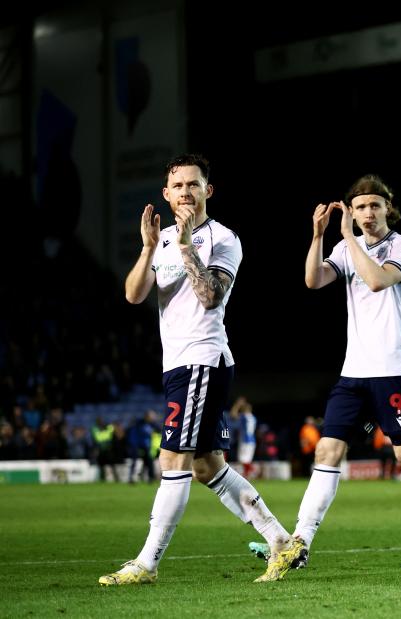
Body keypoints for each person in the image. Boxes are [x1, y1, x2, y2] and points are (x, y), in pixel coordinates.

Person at [99, 154, 297, 586]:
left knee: (174, 458)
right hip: (179, 364)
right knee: (207, 466)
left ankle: (146, 564)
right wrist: (150, 247)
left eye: (194, 184)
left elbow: (210, 297)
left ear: (209, 190)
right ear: (166, 195)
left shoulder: (223, 239)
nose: (186, 192)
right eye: (178, 186)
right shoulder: (163, 239)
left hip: (201, 360)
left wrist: (188, 245)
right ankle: (281, 541)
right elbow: (134, 295)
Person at [249, 173, 401, 581]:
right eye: (359, 206)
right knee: (327, 453)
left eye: (374, 205)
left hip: (393, 370)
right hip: (353, 373)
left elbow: (377, 281)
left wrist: (348, 237)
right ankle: (298, 543)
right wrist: (318, 236)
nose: (367, 212)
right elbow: (313, 280)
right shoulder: (346, 246)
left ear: (388, 209)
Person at [232, 396, 258, 478]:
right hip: (252, 440)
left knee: (243, 460)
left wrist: (237, 405)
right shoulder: (253, 417)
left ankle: (252, 471)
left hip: (245, 440)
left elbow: (233, 415)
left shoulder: (244, 417)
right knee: (247, 460)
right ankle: (248, 475)